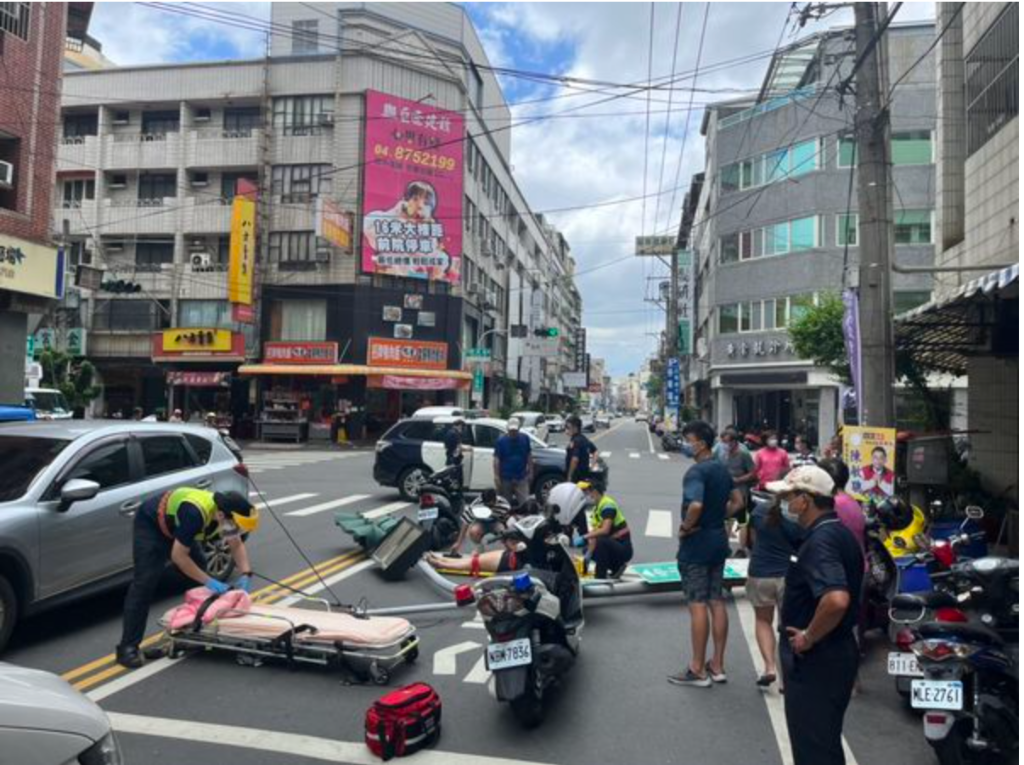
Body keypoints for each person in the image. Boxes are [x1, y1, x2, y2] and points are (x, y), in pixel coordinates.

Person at [768, 466, 864, 765]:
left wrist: (809, 636)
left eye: (788, 495)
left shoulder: (822, 541)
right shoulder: (835, 532)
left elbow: (836, 600)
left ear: (806, 500)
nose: (784, 501)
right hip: (833, 654)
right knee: (822, 744)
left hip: (818, 659)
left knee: (814, 750)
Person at [116, 488, 259, 669]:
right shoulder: (195, 514)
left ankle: (187, 631)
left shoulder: (224, 515)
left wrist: (246, 573)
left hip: (180, 530)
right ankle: (127, 647)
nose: (235, 529)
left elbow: (236, 544)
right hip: (152, 526)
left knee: (197, 572)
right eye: (234, 524)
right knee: (144, 584)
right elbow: (179, 557)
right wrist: (210, 582)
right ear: (222, 515)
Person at [669, 420, 745, 688]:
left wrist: (685, 528)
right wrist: (717, 516)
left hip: (697, 544)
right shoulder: (722, 471)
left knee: (697, 603)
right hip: (718, 541)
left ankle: (697, 669)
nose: (685, 444)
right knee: (716, 600)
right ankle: (718, 665)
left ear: (700, 443)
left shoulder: (696, 472)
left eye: (687, 439)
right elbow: (738, 502)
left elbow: (696, 504)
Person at [742, 491, 804, 688]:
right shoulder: (799, 516)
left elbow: (748, 541)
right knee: (789, 627)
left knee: (762, 621)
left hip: (760, 572)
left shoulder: (760, 510)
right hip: (788, 575)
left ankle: (769, 667)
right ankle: (787, 679)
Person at [574, 478, 633, 579]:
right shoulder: (596, 508)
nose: (588, 495)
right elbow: (595, 534)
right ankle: (616, 567)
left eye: (588, 492)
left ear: (595, 492)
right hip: (614, 545)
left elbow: (605, 530)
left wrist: (584, 537)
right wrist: (587, 557)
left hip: (623, 548)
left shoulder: (607, 505)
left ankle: (600, 577)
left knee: (601, 542)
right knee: (587, 549)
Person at [449, 488, 513, 557]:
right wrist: (458, 543)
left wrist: (510, 541)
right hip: (481, 523)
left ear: (495, 500)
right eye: (486, 505)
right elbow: (466, 522)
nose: (489, 508)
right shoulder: (476, 505)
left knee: (504, 531)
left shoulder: (504, 505)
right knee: (473, 531)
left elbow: (507, 523)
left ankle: (508, 552)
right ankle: (479, 549)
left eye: (491, 506)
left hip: (496, 523)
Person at [715, 427, 757, 523]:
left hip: (740, 490)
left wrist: (737, 480)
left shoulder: (743, 453)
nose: (725, 445)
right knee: (727, 519)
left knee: (741, 521)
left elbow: (753, 473)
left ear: (734, 441)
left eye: (727, 442)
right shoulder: (721, 452)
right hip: (725, 489)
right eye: (723, 442)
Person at [494, 417, 533, 508]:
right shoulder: (501, 441)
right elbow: (497, 460)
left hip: (521, 476)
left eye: (515, 430)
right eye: (511, 430)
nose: (513, 433)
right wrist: (496, 476)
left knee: (526, 503)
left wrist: (531, 471)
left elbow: (529, 455)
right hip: (506, 477)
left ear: (518, 429)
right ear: (508, 429)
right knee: (505, 504)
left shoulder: (525, 438)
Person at [443, 418, 466, 488]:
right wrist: (466, 449)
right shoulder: (455, 434)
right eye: (462, 428)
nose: (462, 430)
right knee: (456, 479)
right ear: (459, 426)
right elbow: (457, 448)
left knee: (451, 478)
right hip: (454, 460)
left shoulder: (449, 432)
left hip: (450, 459)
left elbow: (446, 446)